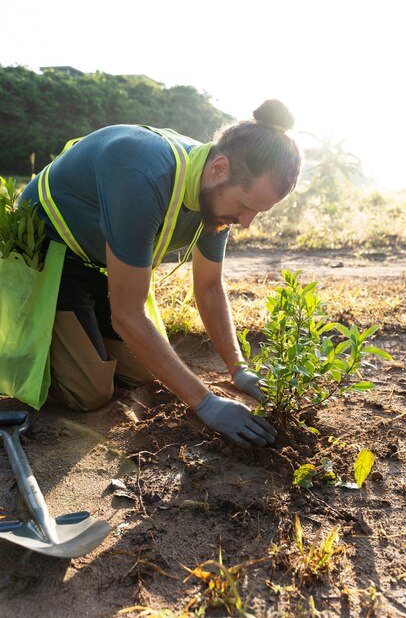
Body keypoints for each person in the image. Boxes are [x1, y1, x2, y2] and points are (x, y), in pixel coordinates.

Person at [19, 99, 302, 449]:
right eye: (245, 207)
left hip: (103, 261)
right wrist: (206, 403)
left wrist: (238, 369)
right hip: (53, 251)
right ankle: (41, 341)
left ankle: (79, 330)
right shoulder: (144, 176)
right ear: (219, 168)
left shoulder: (218, 198)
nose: (246, 222)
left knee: (139, 371)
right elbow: (127, 314)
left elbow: (210, 287)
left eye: (257, 212)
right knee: (89, 391)